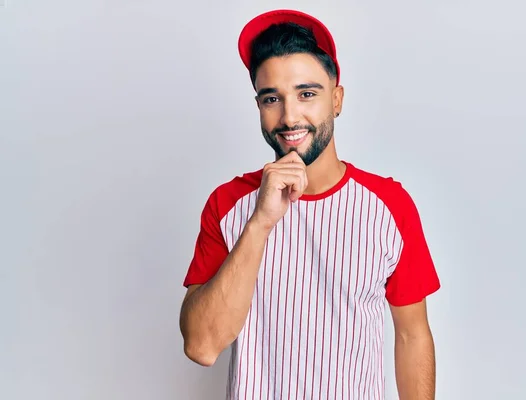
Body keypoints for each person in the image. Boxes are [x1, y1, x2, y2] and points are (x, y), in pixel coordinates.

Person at [179, 9, 441, 400]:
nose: (289, 116)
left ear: (336, 99)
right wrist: (261, 222)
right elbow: (201, 346)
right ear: (259, 108)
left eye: (307, 94)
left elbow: (412, 334)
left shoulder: (389, 205)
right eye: (272, 98)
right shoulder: (228, 204)